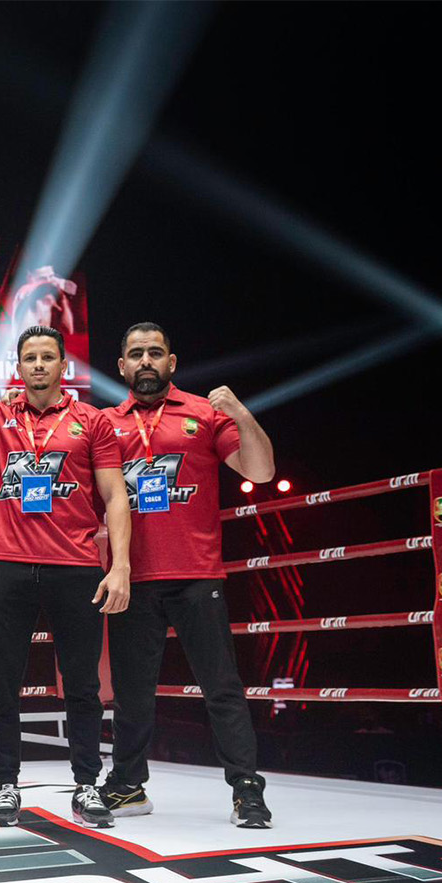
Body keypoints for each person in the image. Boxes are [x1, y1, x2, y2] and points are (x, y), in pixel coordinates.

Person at [0, 324, 130, 829]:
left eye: (47, 357)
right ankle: (6, 784)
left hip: (77, 565)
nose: (39, 365)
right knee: (3, 683)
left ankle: (86, 785)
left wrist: (120, 565)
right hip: (8, 564)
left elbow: (115, 496)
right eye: (30, 358)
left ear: (63, 365)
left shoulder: (93, 421)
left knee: (83, 684)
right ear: (17, 367)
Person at [100, 322, 276, 828]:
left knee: (221, 686)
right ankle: (128, 785)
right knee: (132, 692)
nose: (146, 361)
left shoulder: (204, 412)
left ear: (171, 362)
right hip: (133, 576)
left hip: (197, 573)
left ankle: (247, 789)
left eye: (155, 352)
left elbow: (261, 471)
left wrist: (240, 411)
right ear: (122, 366)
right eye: (137, 353)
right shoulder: (105, 423)